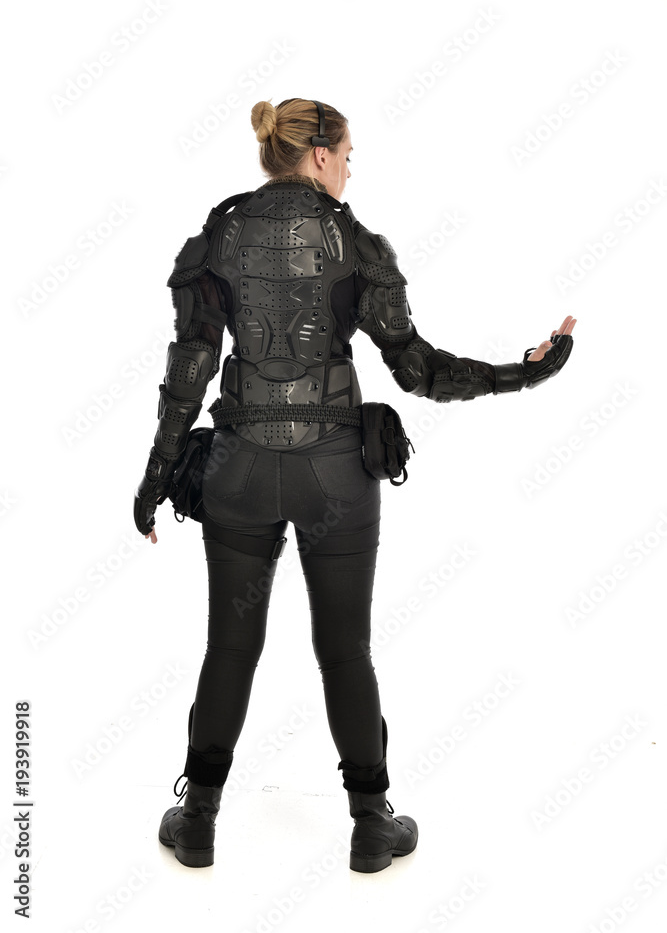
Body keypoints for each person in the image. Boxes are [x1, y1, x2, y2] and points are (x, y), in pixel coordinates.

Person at [134, 97, 576, 872]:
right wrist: (522, 373)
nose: (348, 168)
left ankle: (198, 819)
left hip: (238, 470)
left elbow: (190, 368)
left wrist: (157, 473)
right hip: (335, 474)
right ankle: (372, 825)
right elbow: (419, 371)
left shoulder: (217, 236)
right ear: (317, 156)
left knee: (229, 648)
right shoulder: (355, 241)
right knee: (345, 651)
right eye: (345, 156)